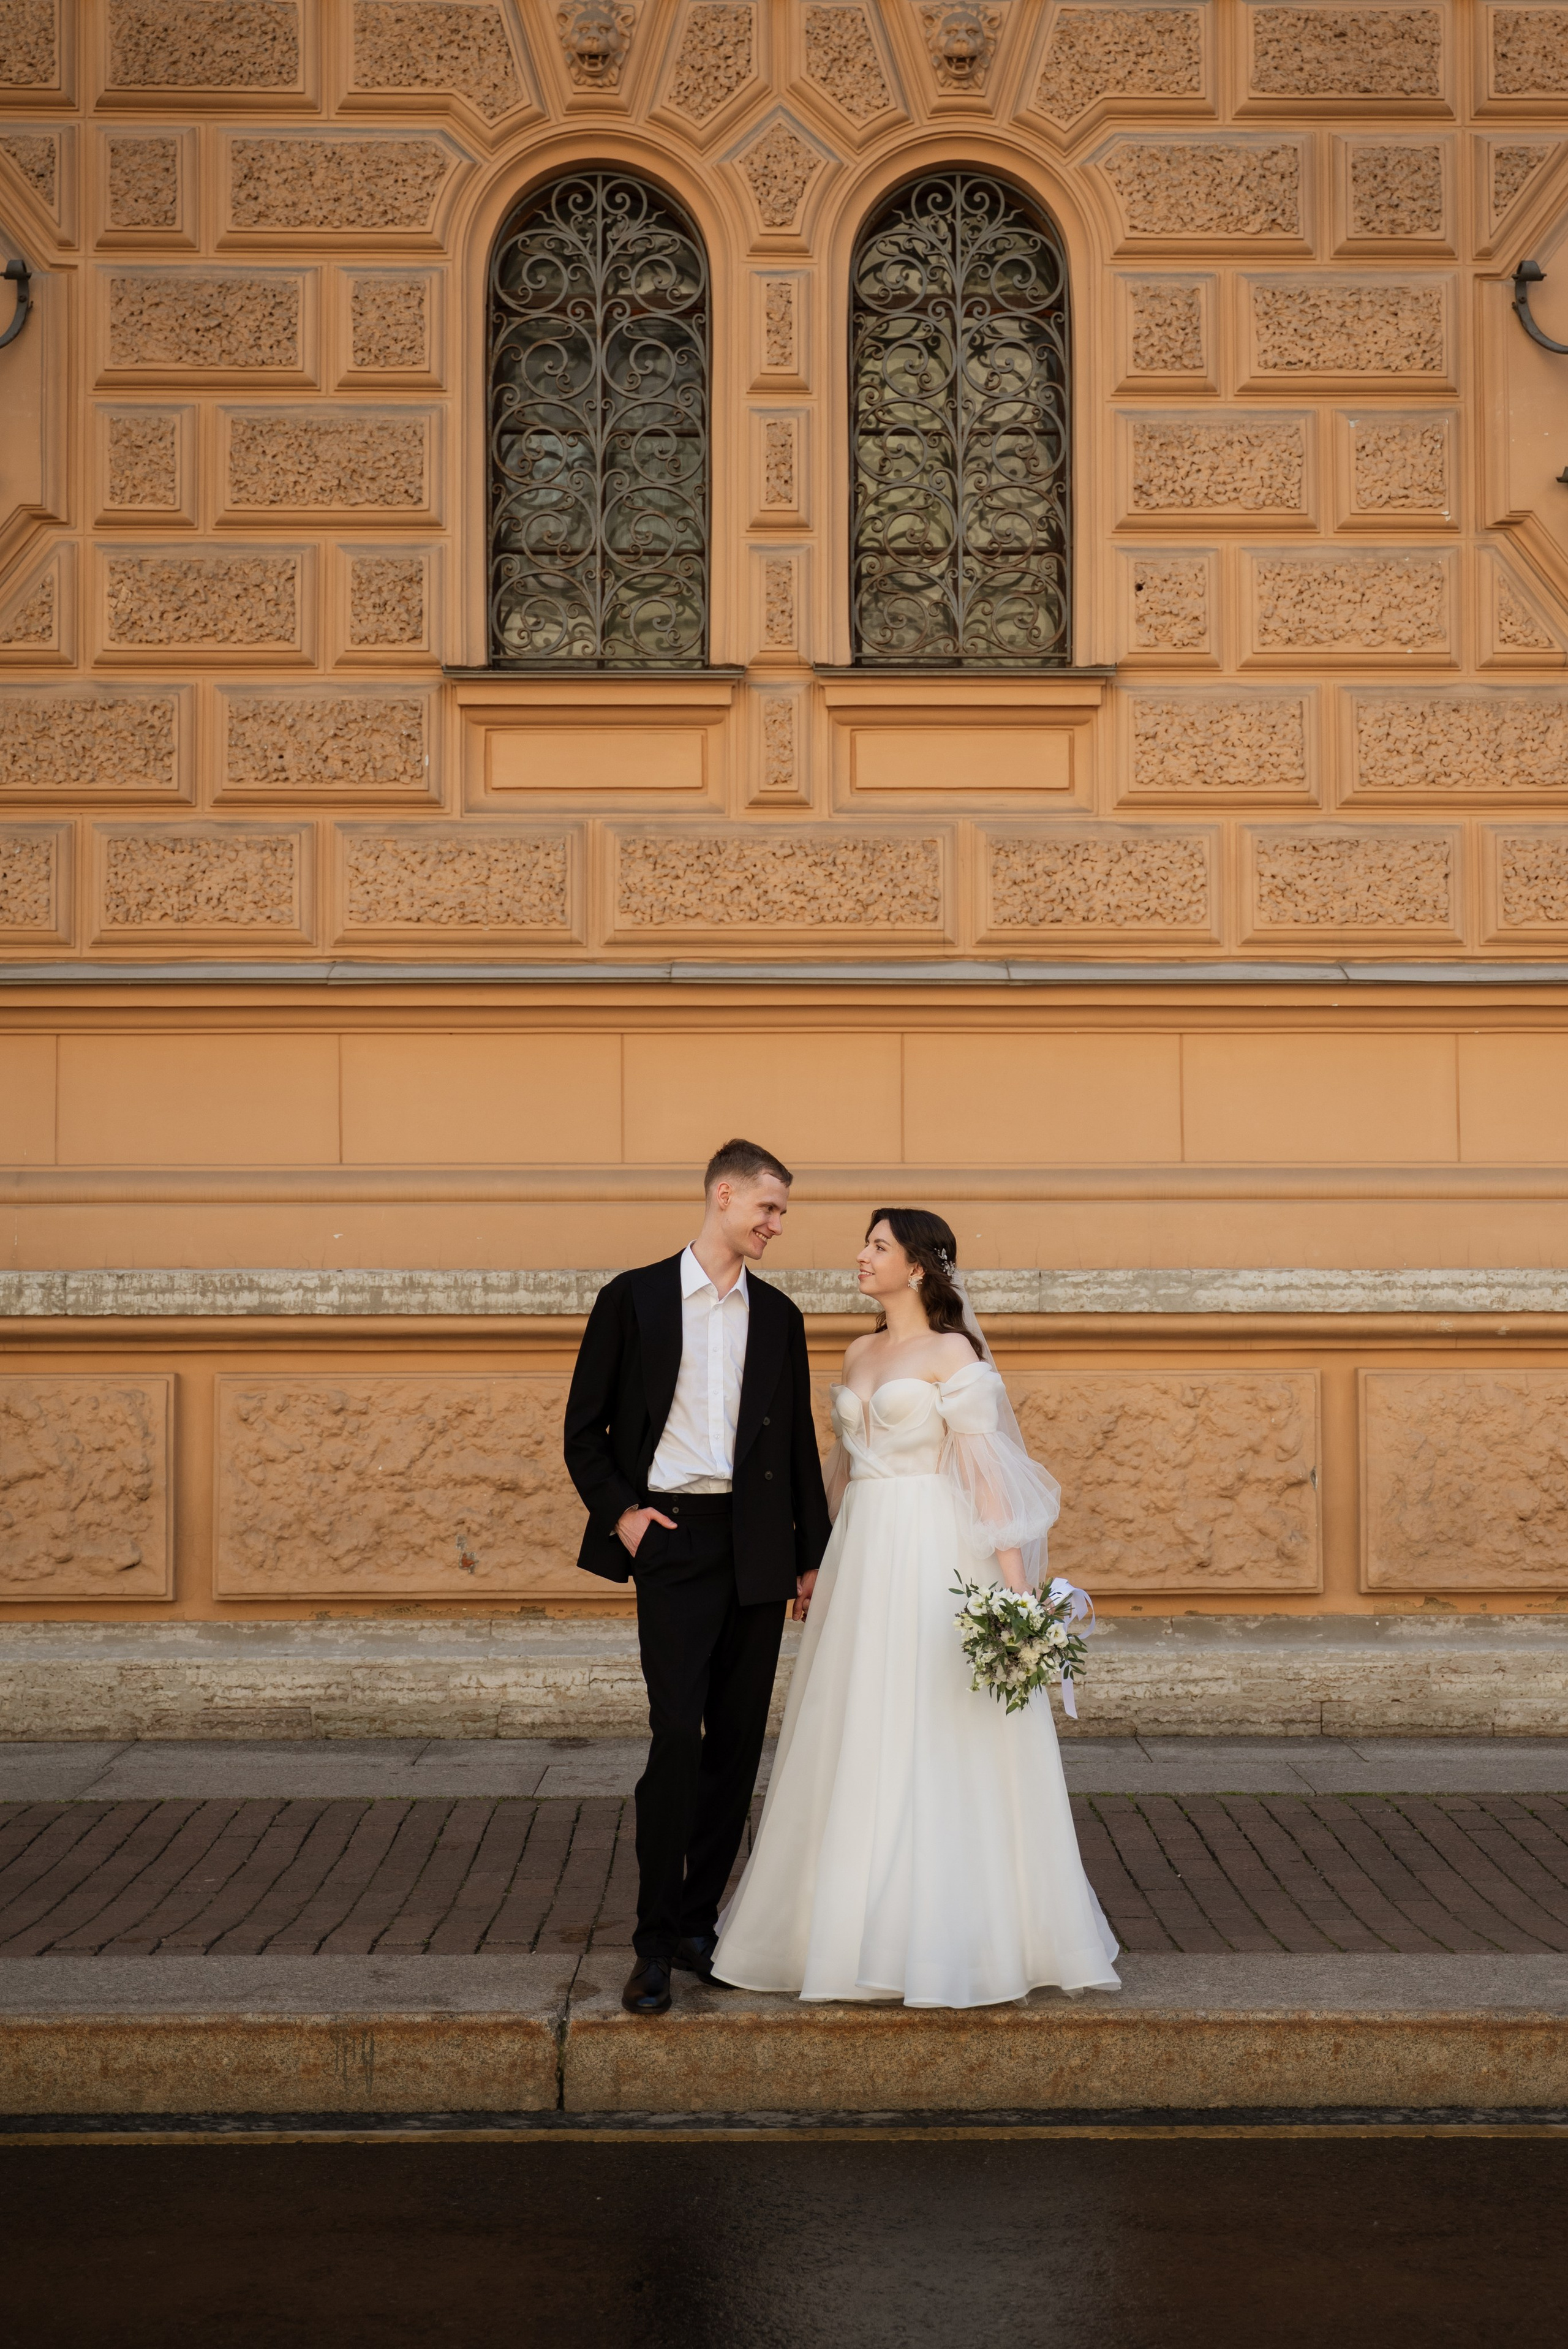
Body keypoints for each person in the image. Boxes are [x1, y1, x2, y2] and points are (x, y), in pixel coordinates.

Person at [712, 1207, 1120, 2009]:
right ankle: (839, 1929)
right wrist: (814, 1562)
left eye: (879, 1246)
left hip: (934, 1548)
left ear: (918, 1267)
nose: (862, 1257)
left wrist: (1017, 1598)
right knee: (854, 1719)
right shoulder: (858, 1352)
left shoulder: (952, 1354)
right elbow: (840, 1466)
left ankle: (949, 1934)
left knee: (935, 1722)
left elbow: (987, 1478)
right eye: (866, 1244)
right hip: (861, 1551)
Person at [563, 1139, 832, 2016]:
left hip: (756, 1545)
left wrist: (811, 1555)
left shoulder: (779, 1316)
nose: (776, 1224)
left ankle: (695, 1924)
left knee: (736, 1744)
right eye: (768, 1208)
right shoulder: (633, 1298)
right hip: (672, 1541)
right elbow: (584, 1431)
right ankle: (650, 1941)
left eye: (781, 1212)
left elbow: (797, 1445)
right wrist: (626, 1516)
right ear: (724, 1196)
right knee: (677, 1734)